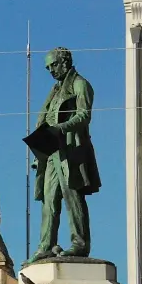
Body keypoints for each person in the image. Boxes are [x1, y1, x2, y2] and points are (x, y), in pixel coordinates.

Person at [26, 47, 102, 264]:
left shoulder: (80, 84)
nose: (50, 70)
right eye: (48, 67)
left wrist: (61, 128)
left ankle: (80, 244)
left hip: (70, 150)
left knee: (73, 197)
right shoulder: (55, 89)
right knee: (49, 200)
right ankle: (46, 246)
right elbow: (46, 119)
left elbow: (84, 116)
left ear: (65, 62)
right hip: (51, 152)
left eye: (53, 65)